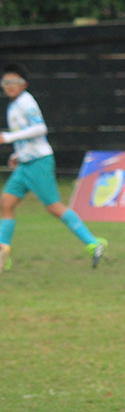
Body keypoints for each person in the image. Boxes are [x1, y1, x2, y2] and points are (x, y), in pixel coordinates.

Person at [0, 63, 106, 275]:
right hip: (26, 163)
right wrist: (17, 155)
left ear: (24, 85)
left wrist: (8, 137)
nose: (9, 86)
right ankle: (3, 254)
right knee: (6, 204)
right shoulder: (13, 105)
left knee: (54, 207)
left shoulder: (26, 102)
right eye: (6, 82)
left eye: (14, 82)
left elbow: (40, 128)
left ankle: (93, 243)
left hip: (39, 162)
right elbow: (28, 135)